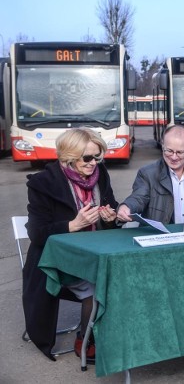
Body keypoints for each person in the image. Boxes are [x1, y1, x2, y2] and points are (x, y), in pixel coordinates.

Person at [24, 128, 118, 362]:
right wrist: (73, 225)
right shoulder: (43, 183)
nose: (93, 163)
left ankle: (109, 334)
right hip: (59, 260)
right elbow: (36, 234)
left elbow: (111, 205)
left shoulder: (101, 174)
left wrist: (110, 217)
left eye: (98, 157)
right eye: (87, 158)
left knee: (123, 277)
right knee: (97, 288)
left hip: (95, 252)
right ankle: (85, 339)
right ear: (68, 156)